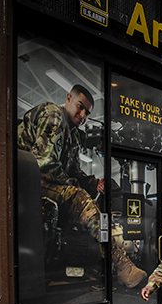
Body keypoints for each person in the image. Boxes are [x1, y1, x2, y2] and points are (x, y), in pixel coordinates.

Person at [16, 85, 146, 288]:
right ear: (68, 98)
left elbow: (74, 171)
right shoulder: (53, 116)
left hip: (42, 182)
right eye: (80, 107)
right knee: (80, 200)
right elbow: (43, 163)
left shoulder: (75, 136)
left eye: (87, 112)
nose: (83, 114)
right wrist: (77, 187)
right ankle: (121, 264)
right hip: (25, 181)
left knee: (83, 201)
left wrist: (94, 183)